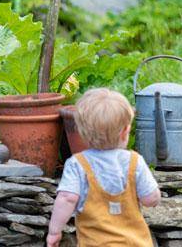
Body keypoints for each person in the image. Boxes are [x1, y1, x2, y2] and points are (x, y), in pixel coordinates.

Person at [47, 88, 161, 247]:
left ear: (81, 131)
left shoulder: (77, 164)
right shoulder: (135, 162)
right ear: (125, 132)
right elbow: (149, 199)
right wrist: (155, 197)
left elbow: (67, 198)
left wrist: (54, 231)